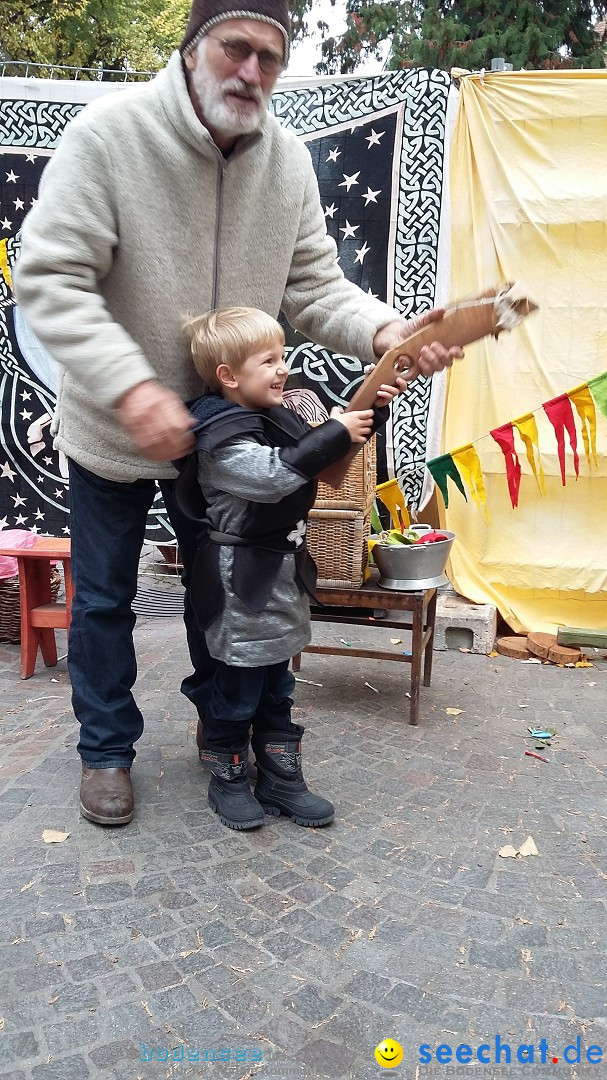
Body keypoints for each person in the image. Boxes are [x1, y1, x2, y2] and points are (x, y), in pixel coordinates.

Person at [13, 0, 464, 827]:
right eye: (235, 48)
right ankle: (106, 750)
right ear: (191, 49)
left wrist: (384, 331)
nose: (251, 72)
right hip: (116, 427)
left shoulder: (285, 161)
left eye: (270, 56)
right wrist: (131, 386)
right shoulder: (108, 137)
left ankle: (224, 737)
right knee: (107, 600)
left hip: (225, 440)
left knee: (221, 598)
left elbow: (314, 286)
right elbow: (49, 276)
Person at [179, 305, 403, 829]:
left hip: (280, 575)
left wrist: (371, 410)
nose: (284, 369)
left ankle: (280, 779)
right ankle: (228, 776)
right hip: (239, 582)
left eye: (283, 357)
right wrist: (333, 430)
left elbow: (325, 466)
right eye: (269, 360)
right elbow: (275, 476)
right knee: (236, 688)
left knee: (277, 684)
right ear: (228, 376)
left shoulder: (273, 420)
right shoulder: (222, 437)